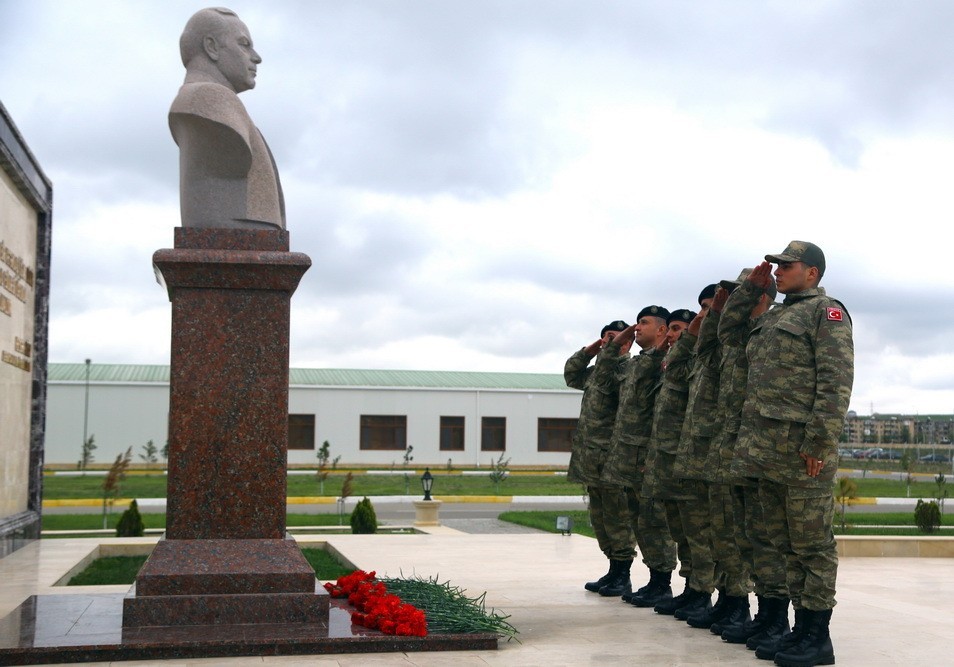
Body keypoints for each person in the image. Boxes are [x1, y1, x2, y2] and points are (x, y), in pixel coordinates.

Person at [719, 241, 853, 667]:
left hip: (801, 454)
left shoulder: (826, 312)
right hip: (763, 452)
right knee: (775, 542)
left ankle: (817, 635)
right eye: (775, 266)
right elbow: (726, 335)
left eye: (786, 266)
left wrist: (819, 442)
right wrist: (746, 292)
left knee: (810, 545)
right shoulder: (775, 315)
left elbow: (835, 382)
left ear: (811, 272)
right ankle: (793, 628)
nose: (777, 271)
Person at [713, 270, 789, 649]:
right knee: (748, 537)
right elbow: (725, 325)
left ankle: (776, 620)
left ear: (758, 296)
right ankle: (766, 615)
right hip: (739, 447)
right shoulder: (740, 335)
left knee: (767, 538)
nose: (728, 301)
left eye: (739, 293)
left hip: (766, 450)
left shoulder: (774, 327)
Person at [171, 7, 286, 230]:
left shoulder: (202, 99)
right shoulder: (208, 98)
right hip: (239, 228)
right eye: (244, 45)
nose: (256, 57)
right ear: (211, 47)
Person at [600, 306, 674, 599]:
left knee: (654, 521)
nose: (637, 327)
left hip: (648, 456)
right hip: (627, 455)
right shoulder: (635, 363)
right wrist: (620, 340)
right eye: (636, 323)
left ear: (661, 330)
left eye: (643, 323)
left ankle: (662, 581)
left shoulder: (663, 361)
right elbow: (605, 373)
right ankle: (654, 580)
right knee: (638, 521)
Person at [626, 307, 697, 608]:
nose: (671, 337)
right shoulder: (658, 363)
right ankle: (660, 582)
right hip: (654, 454)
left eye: (678, 329)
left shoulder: (686, 363)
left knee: (672, 525)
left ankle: (679, 587)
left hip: (680, 459)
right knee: (651, 521)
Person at [564, 320, 634, 594]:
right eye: (606, 338)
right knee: (601, 517)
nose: (610, 343)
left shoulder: (626, 371)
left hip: (612, 458)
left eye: (617, 338)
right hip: (591, 458)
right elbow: (571, 374)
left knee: (618, 517)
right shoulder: (596, 373)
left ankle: (623, 574)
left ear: (628, 344)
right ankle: (613, 569)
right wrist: (591, 349)